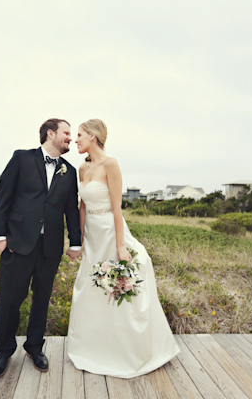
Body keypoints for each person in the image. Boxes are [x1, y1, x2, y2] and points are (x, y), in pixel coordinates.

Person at [67, 119, 179, 378]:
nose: (76, 139)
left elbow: (117, 208)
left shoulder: (111, 164)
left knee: (118, 287)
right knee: (89, 288)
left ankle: (129, 350)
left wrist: (119, 245)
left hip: (110, 229)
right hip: (92, 235)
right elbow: (82, 206)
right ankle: (92, 347)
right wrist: (80, 239)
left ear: (93, 136)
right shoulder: (82, 168)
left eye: (80, 135)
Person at [0, 118, 82, 379]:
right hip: (17, 243)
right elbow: (4, 196)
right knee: (10, 300)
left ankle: (34, 347)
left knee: (41, 300)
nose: (70, 138)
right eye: (66, 133)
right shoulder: (21, 158)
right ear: (50, 133)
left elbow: (71, 210)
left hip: (50, 247)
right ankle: (3, 351)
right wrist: (0, 236)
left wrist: (75, 242)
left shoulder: (69, 170)